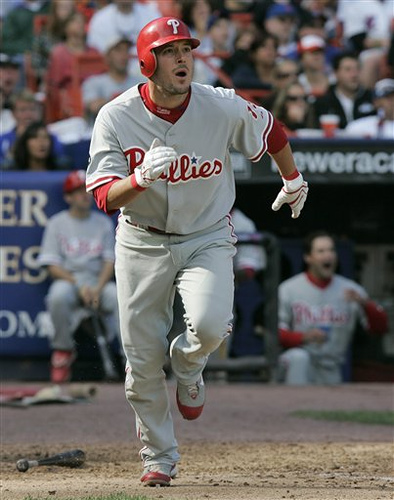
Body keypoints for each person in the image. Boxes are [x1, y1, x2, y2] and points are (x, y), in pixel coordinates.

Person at [86, 16, 308, 487]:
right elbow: (104, 195)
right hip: (141, 239)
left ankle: (189, 363)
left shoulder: (219, 104)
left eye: (186, 49)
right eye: (169, 51)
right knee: (142, 359)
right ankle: (158, 456)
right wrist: (141, 179)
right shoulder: (116, 115)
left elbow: (271, 131)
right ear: (148, 62)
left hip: (205, 233)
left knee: (208, 327)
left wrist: (292, 177)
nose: (182, 58)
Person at [38, 170, 119, 383]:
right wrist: (80, 285)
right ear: (68, 197)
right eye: (78, 191)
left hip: (99, 283)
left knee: (121, 298)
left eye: (88, 190)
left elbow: (109, 261)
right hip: (69, 281)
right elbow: (51, 265)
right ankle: (63, 352)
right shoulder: (57, 223)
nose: (85, 195)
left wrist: (97, 289)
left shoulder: (103, 222)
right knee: (57, 296)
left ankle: (132, 360)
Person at [278, 230, 388, 386]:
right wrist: (303, 337)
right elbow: (275, 335)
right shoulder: (289, 289)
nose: (328, 255)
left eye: (331, 250)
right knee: (298, 358)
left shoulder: (351, 291)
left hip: (331, 367)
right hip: (296, 361)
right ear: (308, 257)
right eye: (321, 251)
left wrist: (366, 304)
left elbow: (380, 329)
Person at [82, 35, 141, 125]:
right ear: (107, 57)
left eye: (126, 50)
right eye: (118, 50)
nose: (123, 55)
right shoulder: (93, 82)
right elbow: (93, 106)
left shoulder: (139, 82)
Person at [0, 89, 65, 166]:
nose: (28, 115)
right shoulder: (3, 140)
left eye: (32, 109)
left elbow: (59, 163)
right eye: (23, 110)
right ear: (13, 114)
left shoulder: (51, 138)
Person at [312, 52, 376, 130]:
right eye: (348, 70)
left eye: (357, 69)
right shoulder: (322, 103)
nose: (354, 74)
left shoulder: (372, 99)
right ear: (336, 73)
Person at [3, 121, 70, 171]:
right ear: (25, 143)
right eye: (35, 137)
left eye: (45, 137)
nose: (41, 142)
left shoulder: (61, 169)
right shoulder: (11, 171)